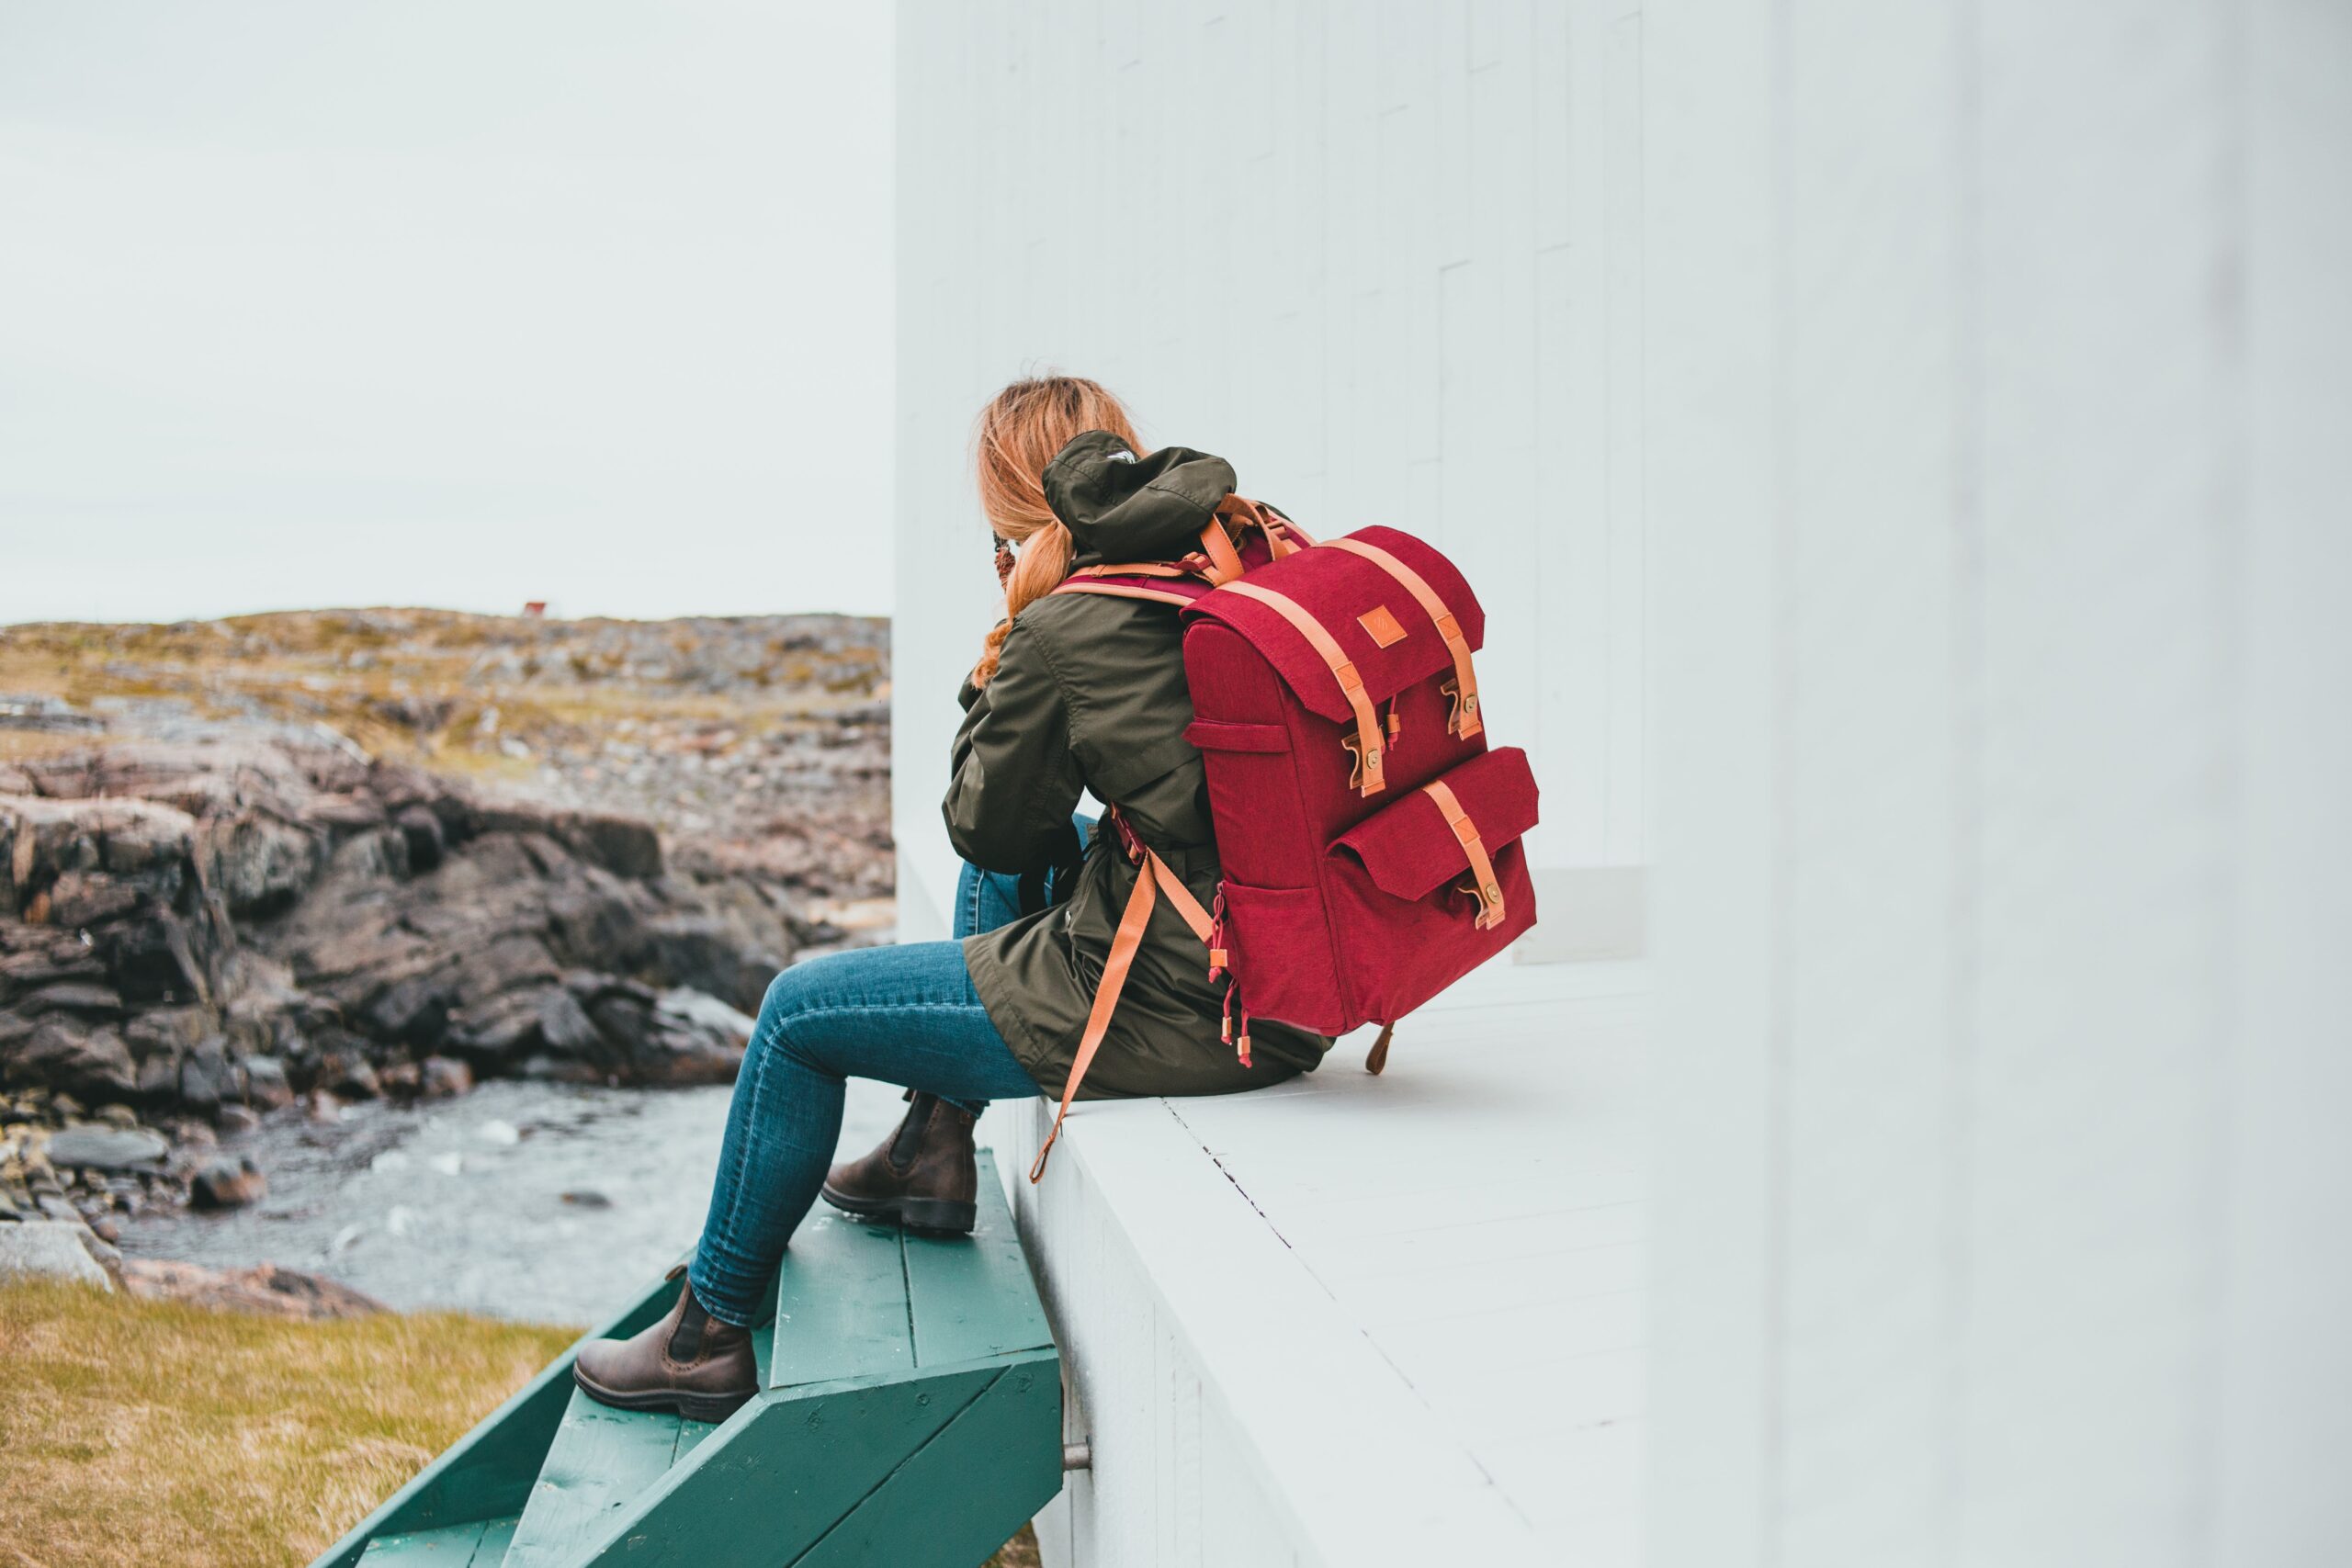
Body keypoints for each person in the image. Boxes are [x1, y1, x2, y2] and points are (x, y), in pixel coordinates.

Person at [571, 376, 1329, 1420]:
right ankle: (932, 1146)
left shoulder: (1075, 623)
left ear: (1016, 511)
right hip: (1280, 967)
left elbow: (984, 821)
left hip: (1188, 1006)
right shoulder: (1224, 554)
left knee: (796, 1015)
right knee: (1028, 851)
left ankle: (705, 1336)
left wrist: (1011, 649)